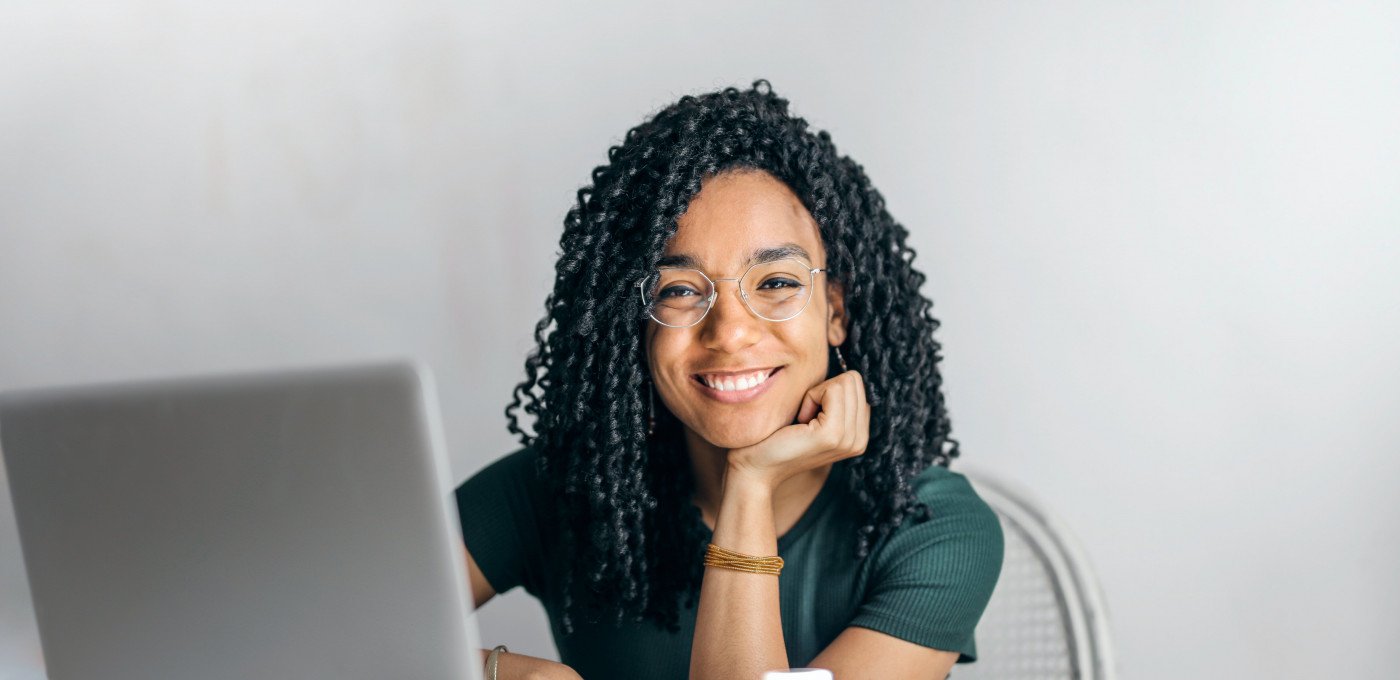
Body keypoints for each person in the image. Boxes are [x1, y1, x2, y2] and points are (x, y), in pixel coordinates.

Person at [456, 79, 1004, 680]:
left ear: (836, 312)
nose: (730, 332)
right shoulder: (562, 487)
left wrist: (751, 481)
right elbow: (368, 625)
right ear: (635, 324)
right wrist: (507, 674)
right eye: (680, 290)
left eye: (776, 283)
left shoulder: (932, 527)